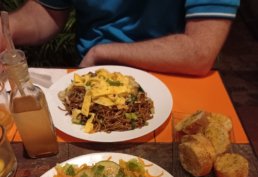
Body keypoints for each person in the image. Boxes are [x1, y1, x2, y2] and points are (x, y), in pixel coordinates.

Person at [0, 0, 240, 76]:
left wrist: (103, 52)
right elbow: (48, 12)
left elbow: (199, 51)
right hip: (91, 73)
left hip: (174, 74)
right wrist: (6, 28)